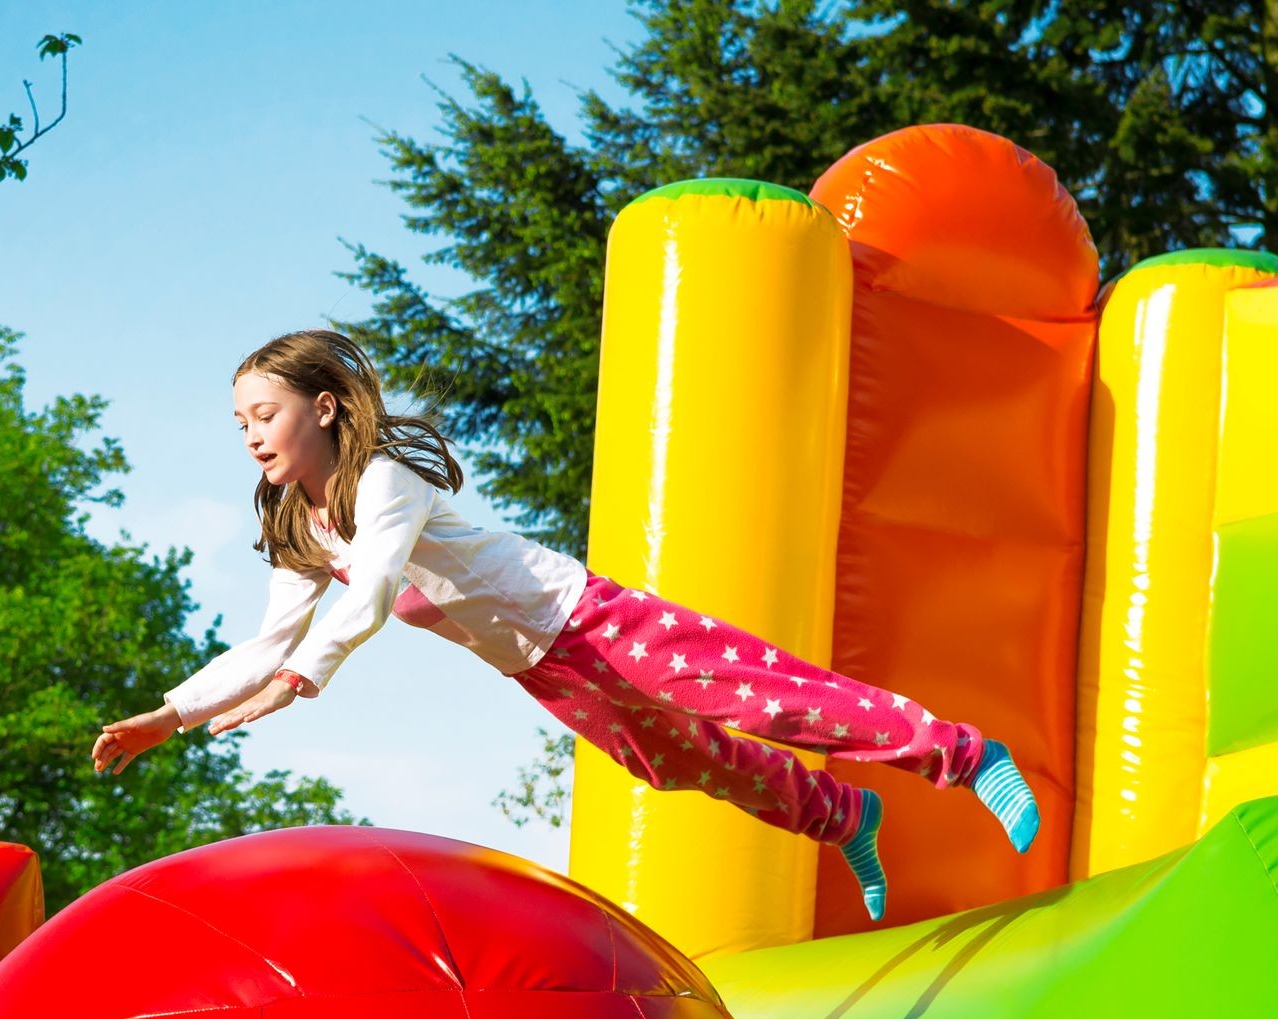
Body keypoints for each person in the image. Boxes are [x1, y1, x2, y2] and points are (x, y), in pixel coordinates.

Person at [90, 329, 1038, 920]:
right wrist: (167, 717)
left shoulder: (384, 480)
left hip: (587, 618)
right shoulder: (303, 522)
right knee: (677, 761)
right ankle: (840, 815)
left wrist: (307, 680)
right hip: (541, 668)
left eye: (266, 413)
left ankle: (961, 754)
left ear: (324, 408)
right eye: (239, 423)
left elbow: (373, 588)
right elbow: (267, 641)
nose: (251, 433)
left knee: (760, 701)